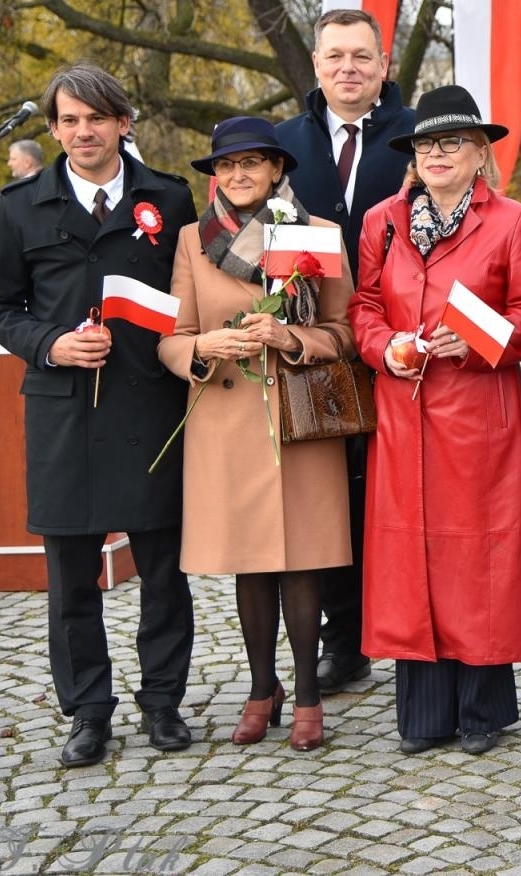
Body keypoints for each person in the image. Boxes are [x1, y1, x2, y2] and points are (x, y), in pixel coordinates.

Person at [0, 63, 197, 767]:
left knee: (163, 571)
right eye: (68, 120)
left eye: (96, 118)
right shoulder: (19, 206)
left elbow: (191, 294)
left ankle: (162, 702)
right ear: (53, 129)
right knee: (72, 579)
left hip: (149, 406)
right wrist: (50, 343)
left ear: (123, 123)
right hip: (64, 414)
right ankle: (88, 711)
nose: (83, 132)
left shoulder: (169, 197)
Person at [349, 85, 521, 755]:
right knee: (411, 556)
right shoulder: (382, 221)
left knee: (477, 557)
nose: (436, 154)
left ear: (479, 153)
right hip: (404, 413)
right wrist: (385, 348)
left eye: (452, 142)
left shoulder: (511, 222)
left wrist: (477, 340)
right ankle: (425, 713)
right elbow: (364, 305)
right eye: (426, 144)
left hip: (478, 414)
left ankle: (481, 709)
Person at [156, 117, 356, 752]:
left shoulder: (315, 234)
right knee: (251, 560)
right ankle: (260, 689)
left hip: (299, 418)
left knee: (301, 559)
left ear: (276, 170)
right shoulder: (192, 240)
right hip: (226, 420)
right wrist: (204, 347)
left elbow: (346, 331)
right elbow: (171, 338)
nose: (237, 174)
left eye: (250, 163)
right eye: (226, 165)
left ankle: (308, 696)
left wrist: (289, 336)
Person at [277, 8, 416, 695]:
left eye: (362, 56)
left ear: (383, 65)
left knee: (399, 496)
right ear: (316, 64)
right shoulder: (282, 143)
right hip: (317, 350)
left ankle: (413, 634)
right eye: (335, 56)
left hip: (402, 346)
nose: (348, 68)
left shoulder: (419, 136)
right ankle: (344, 639)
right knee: (330, 497)